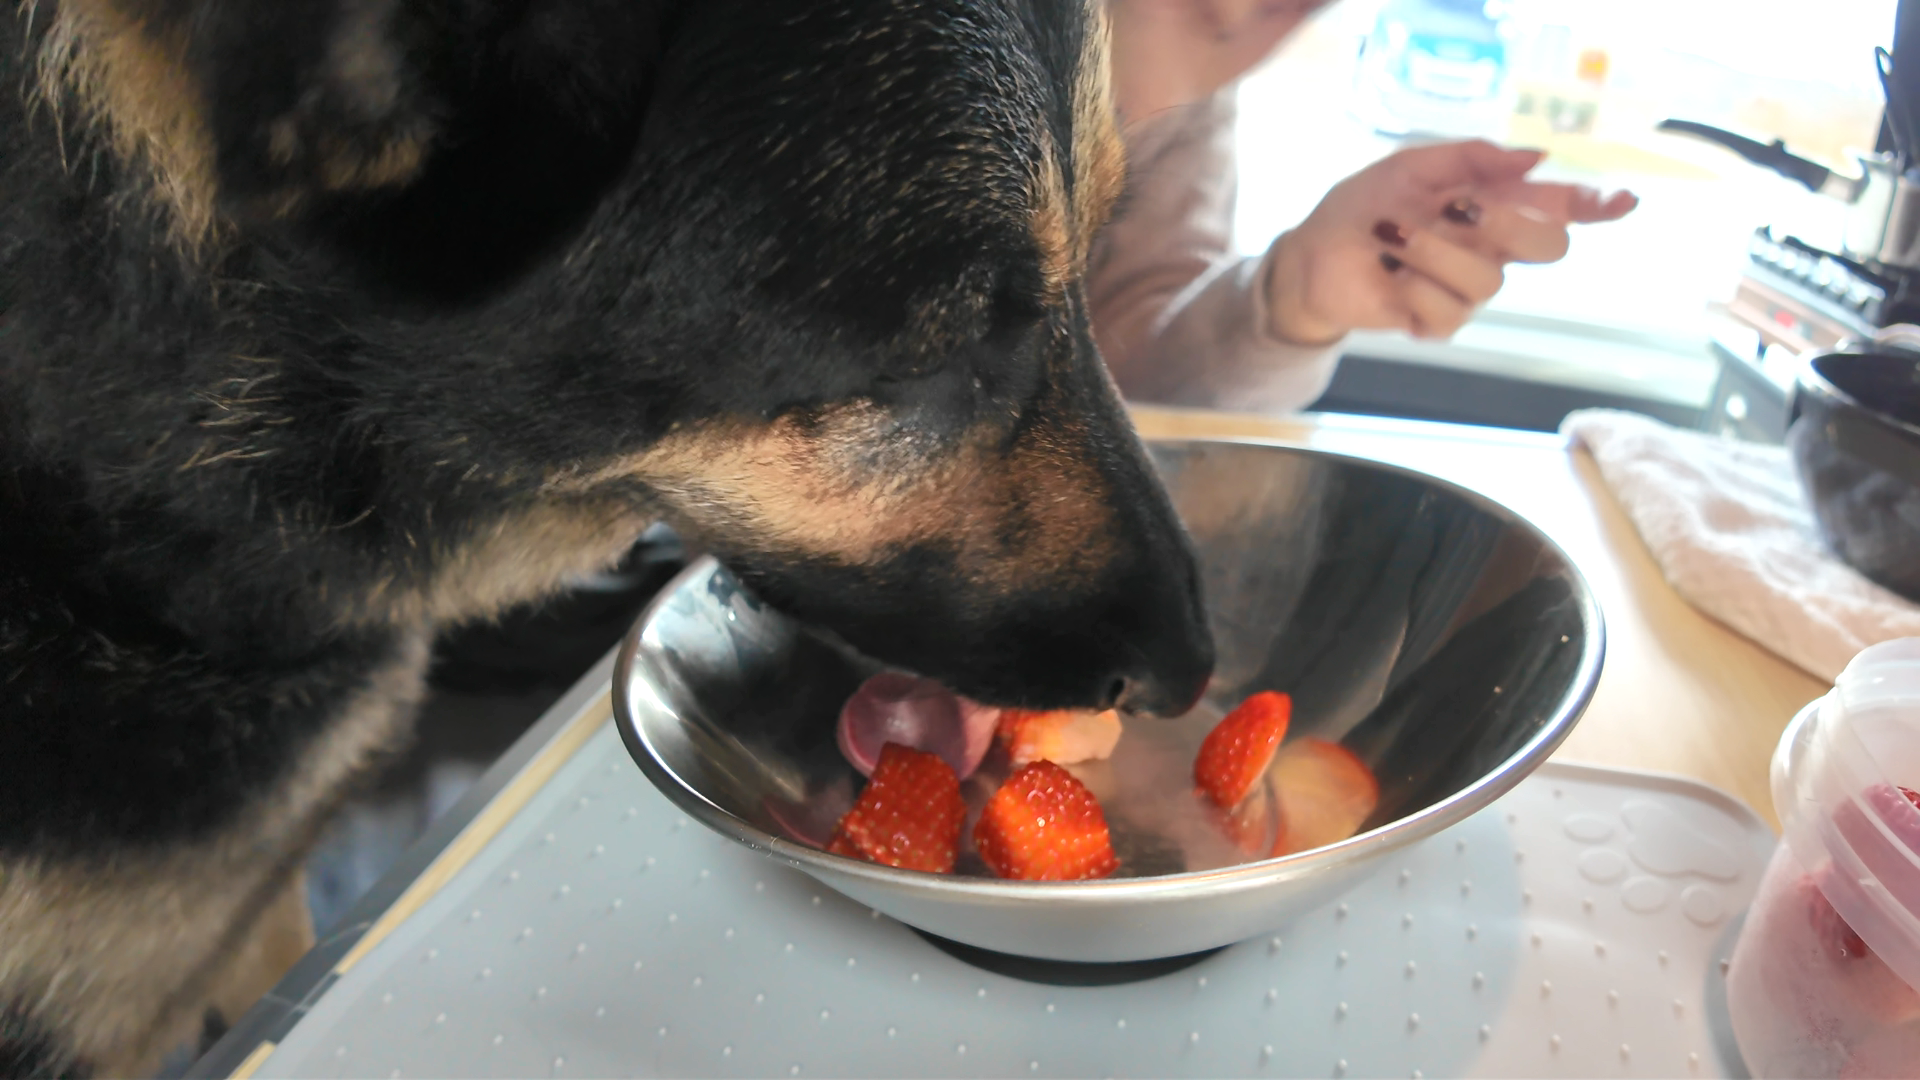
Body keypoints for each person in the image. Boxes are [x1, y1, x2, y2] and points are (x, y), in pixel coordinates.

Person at [1090, 0, 1640, 412]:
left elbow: (1122, 372)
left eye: (1290, 5)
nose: (1231, 14)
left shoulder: (1193, 110)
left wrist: (1290, 298)